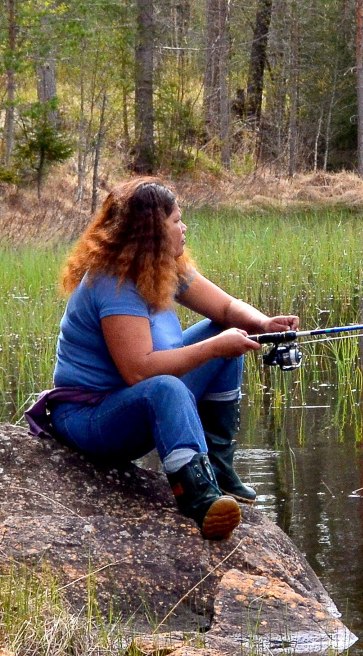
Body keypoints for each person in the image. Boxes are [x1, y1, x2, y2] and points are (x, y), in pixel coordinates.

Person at [24, 178, 298, 540]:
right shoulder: (113, 283)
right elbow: (139, 371)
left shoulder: (163, 266)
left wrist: (264, 323)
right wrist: (215, 349)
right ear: (152, 232)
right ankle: (199, 499)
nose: (183, 228)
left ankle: (218, 467)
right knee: (170, 384)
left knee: (223, 330)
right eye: (176, 221)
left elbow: (228, 308)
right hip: (92, 419)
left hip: (133, 399)